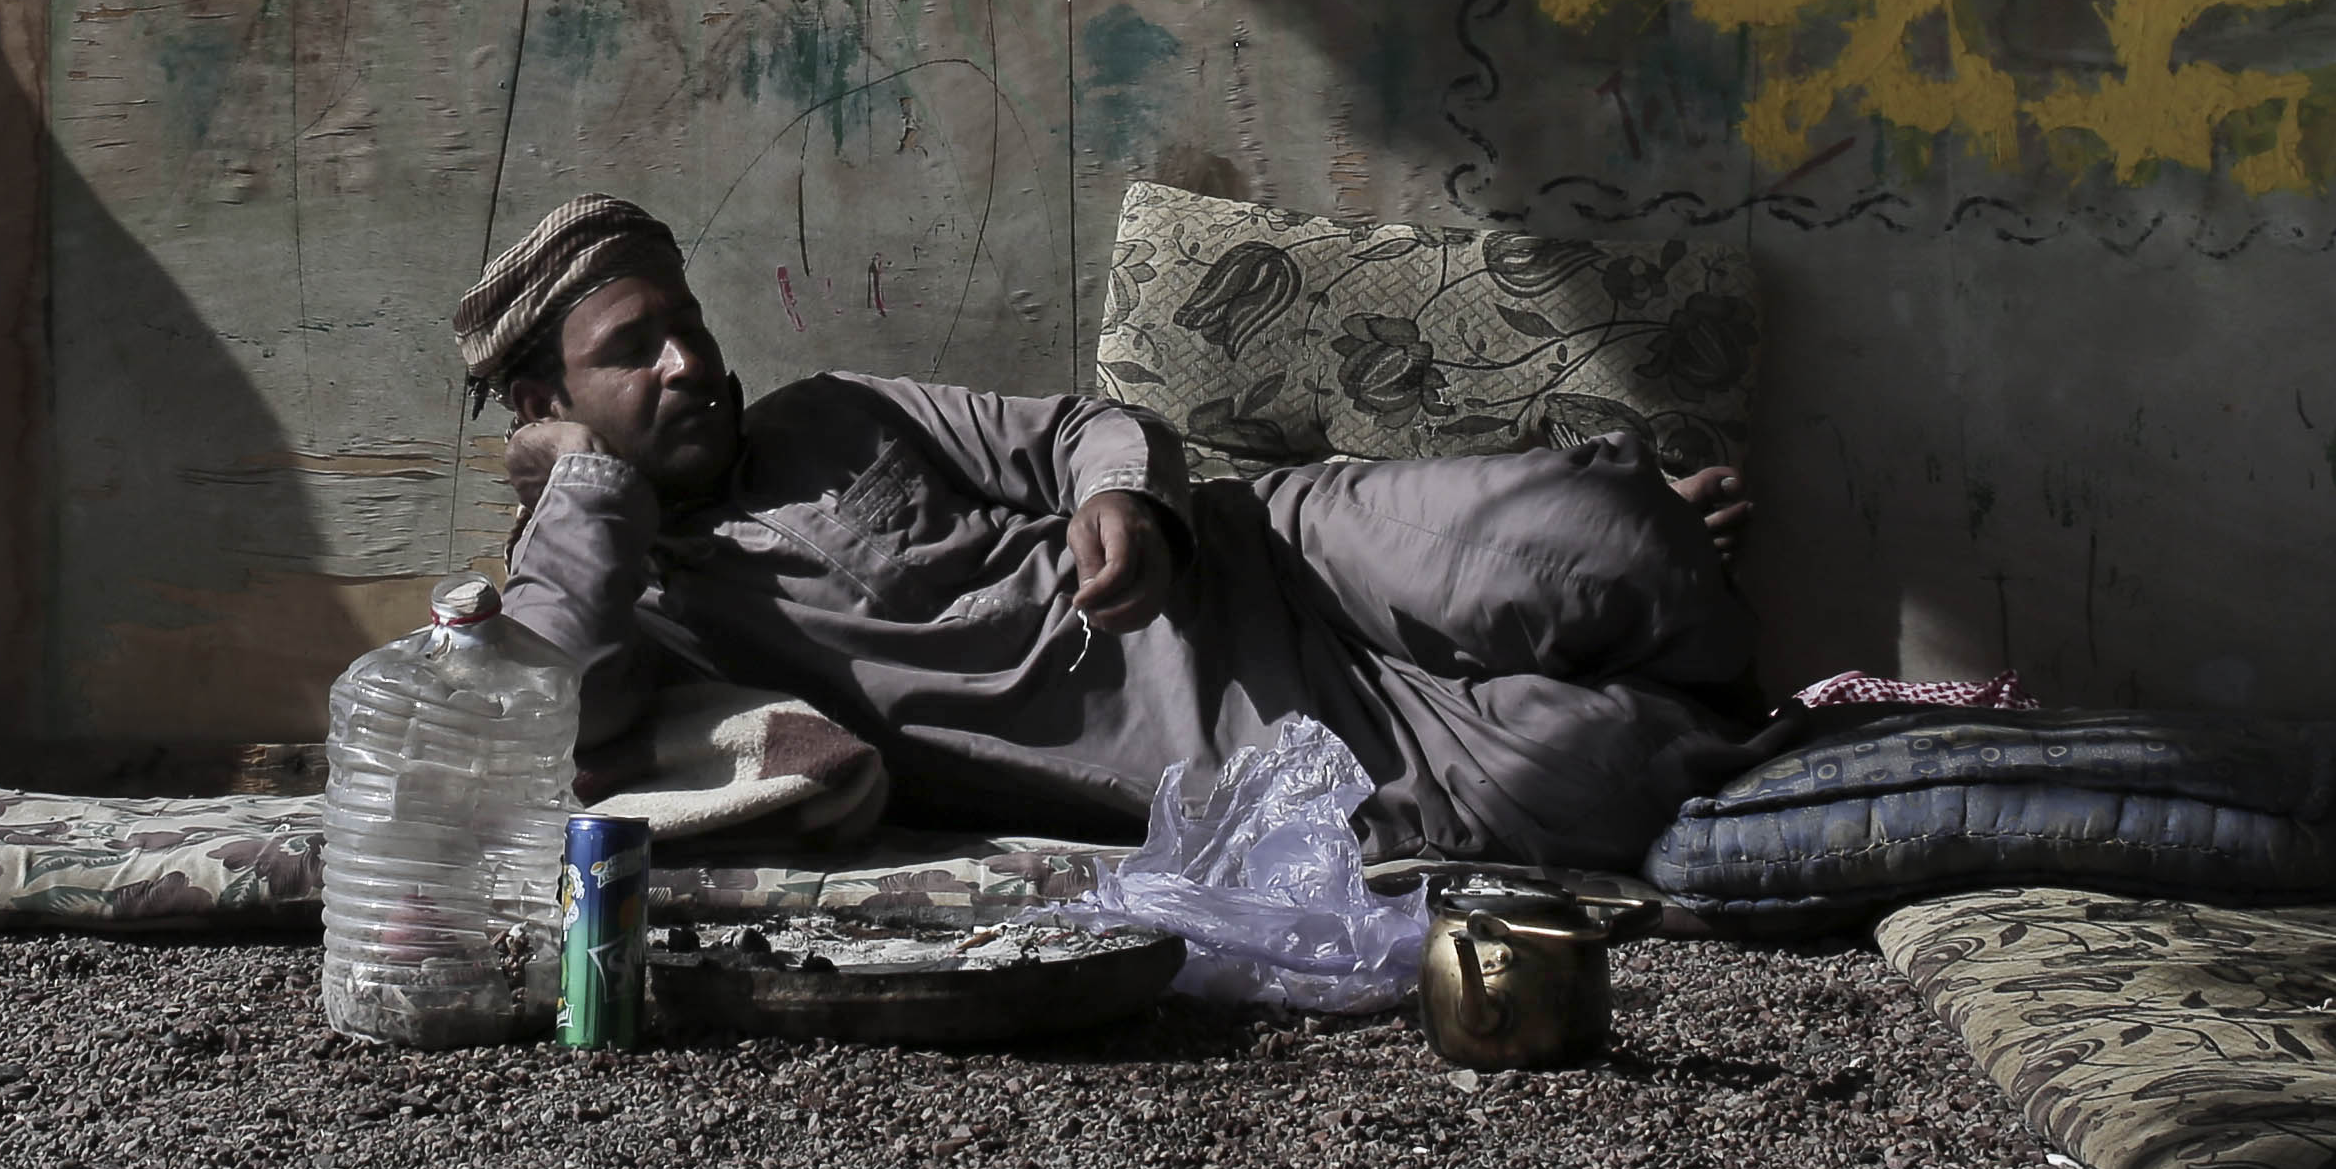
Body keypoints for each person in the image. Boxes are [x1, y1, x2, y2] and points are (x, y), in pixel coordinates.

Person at [465, 194, 1763, 869]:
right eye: (634, 353)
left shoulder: (830, 414)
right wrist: (581, 487)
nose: (692, 360)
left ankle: (1655, 565)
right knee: (1612, 774)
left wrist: (1120, 499)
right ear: (544, 402)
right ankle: (1693, 655)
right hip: (1257, 741)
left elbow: (1084, 426)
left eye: (687, 321)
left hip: (1278, 553)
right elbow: (565, 713)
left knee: (1587, 542)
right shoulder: (632, 605)